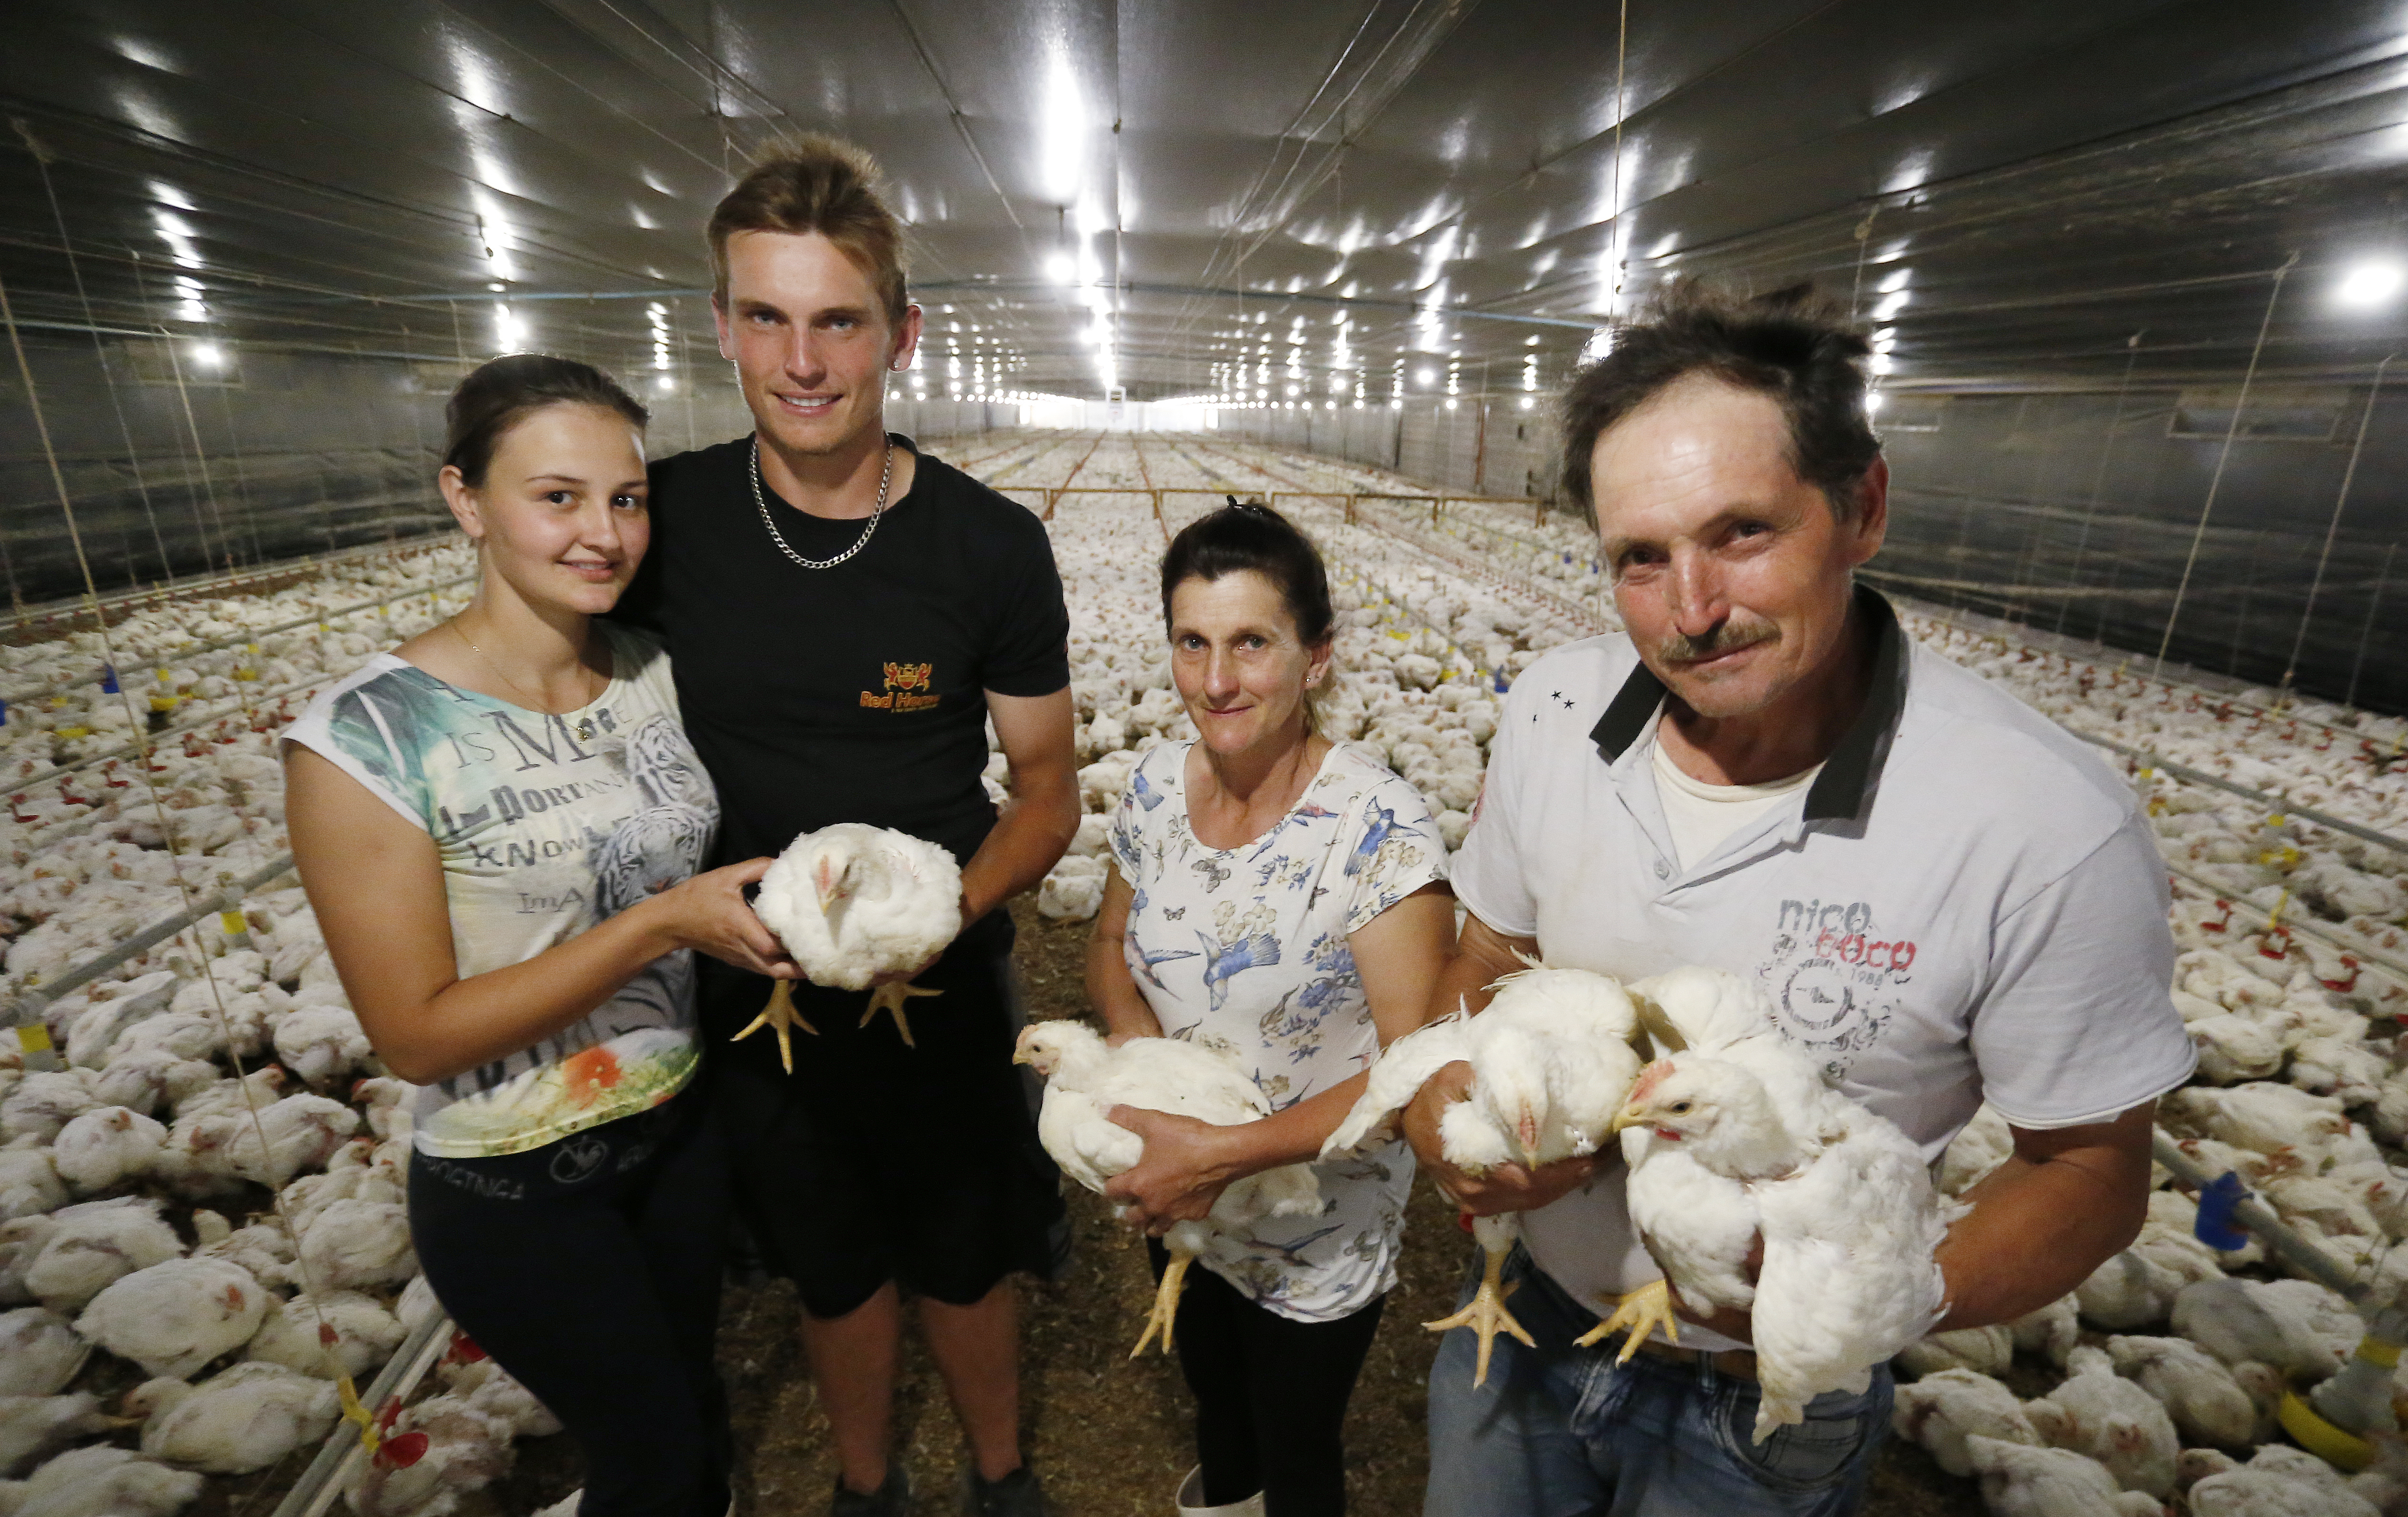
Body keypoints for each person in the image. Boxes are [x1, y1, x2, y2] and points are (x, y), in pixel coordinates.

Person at [1406, 281, 2198, 1517]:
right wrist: (1449, 1096)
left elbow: (2091, 1164)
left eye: (1741, 532)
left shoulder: (2042, 824)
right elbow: (1489, 951)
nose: (1692, 608)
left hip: (1766, 1405)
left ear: (1863, 506)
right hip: (1525, 1329)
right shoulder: (1553, 712)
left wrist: (1883, 1294)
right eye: (1640, 558)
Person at [610, 136, 1080, 1517]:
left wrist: (939, 921)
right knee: (827, 1257)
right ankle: (865, 1486)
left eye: (836, 320)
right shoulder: (670, 522)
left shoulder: (988, 546)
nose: (801, 359)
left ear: (900, 335)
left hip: (934, 966)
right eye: (766, 316)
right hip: (752, 981)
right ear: (721, 326)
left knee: (966, 1245)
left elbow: (1045, 788)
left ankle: (1001, 1475)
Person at [286, 354, 784, 1517]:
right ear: (465, 499)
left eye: (627, 498)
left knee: (690, 1427)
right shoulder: (366, 739)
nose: (602, 533)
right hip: (518, 1191)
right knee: (652, 1464)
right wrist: (663, 920)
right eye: (556, 497)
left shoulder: (654, 673)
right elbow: (414, 1035)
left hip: (678, 1137)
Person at [1088, 501, 1455, 1517]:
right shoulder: (1158, 788)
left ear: (1317, 655)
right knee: (1214, 1399)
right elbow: (1108, 945)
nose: (1216, 680)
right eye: (1193, 643)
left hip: (1315, 1222)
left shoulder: (1380, 832)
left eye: (1252, 643)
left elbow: (1412, 1068)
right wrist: (1143, 1067)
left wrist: (1223, 1152)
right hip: (1180, 1184)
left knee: (1296, 1445)